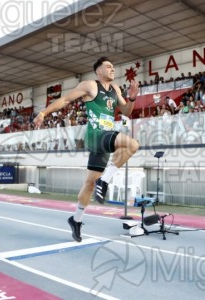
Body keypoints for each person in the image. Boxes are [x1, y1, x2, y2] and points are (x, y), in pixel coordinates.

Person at [34, 57, 139, 242]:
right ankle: (105, 182)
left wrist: (132, 97)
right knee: (133, 144)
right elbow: (66, 99)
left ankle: (76, 220)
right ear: (99, 71)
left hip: (104, 141)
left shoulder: (115, 89)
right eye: (108, 67)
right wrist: (43, 113)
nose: (113, 69)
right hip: (95, 135)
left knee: (90, 184)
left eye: (114, 66)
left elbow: (127, 111)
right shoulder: (90, 85)